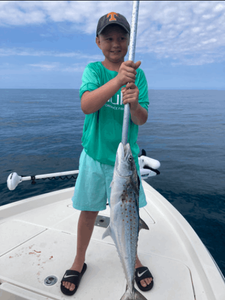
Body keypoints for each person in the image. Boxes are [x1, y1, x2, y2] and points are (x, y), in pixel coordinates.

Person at [60, 12, 154, 296]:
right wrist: (117, 82)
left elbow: (141, 119)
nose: (116, 43)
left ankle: (132, 258)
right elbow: (87, 105)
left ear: (129, 41)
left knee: (129, 214)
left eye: (122, 37)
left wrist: (135, 103)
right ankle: (79, 260)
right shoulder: (94, 70)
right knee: (89, 211)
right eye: (109, 38)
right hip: (94, 157)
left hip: (125, 162)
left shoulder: (139, 76)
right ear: (98, 41)